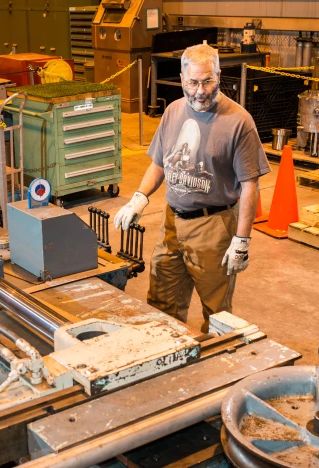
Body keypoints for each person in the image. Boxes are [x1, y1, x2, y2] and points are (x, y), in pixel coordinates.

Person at [114, 43, 270, 332]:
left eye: (208, 81)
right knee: (161, 302)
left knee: (216, 311)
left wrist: (242, 240)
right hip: (171, 222)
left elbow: (250, 185)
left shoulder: (239, 122)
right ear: (182, 78)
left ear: (219, 76)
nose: (201, 91)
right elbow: (159, 163)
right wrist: (139, 198)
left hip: (213, 226)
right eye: (194, 82)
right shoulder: (173, 111)